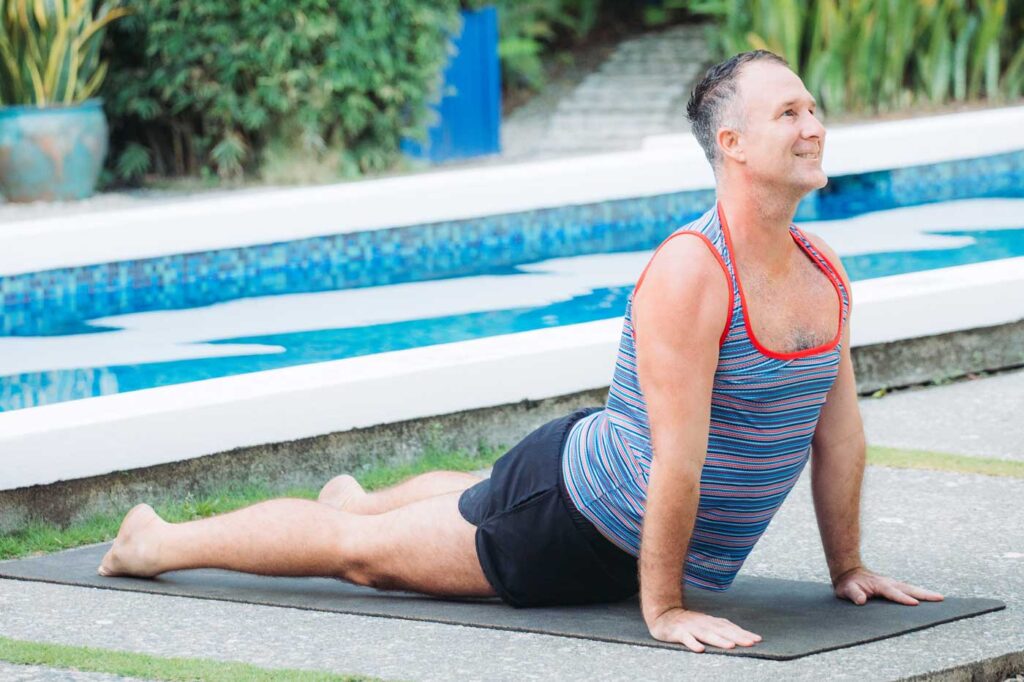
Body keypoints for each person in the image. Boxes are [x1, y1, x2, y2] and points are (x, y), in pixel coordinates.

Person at [98, 50, 943, 653]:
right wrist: (663, 609)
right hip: (568, 526)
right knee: (363, 560)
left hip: (593, 483)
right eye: (789, 113)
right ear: (733, 145)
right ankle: (154, 540)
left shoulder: (821, 270)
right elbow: (676, 460)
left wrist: (851, 568)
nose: (813, 126)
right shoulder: (695, 271)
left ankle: (358, 495)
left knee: (469, 498)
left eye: (812, 109)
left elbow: (839, 437)